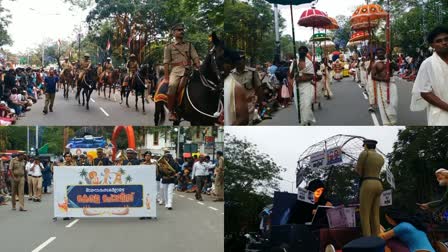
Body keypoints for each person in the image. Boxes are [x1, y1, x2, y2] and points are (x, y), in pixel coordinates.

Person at [411, 26, 448, 125]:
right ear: (433, 45)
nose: (444, 43)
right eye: (439, 41)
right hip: (441, 113)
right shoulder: (428, 63)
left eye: (446, 39)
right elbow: (425, 92)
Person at [163, 23, 201, 121]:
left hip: (189, 69)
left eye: (182, 30)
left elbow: (195, 56)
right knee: (172, 86)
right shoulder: (169, 47)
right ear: (173, 33)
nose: (181, 31)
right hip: (176, 71)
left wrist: (197, 64)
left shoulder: (189, 45)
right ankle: (171, 111)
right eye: (179, 30)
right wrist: (166, 77)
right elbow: (166, 63)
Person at [356, 139, 384, 237]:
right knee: (375, 214)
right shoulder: (381, 157)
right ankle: (378, 237)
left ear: (366, 146)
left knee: (364, 213)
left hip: (368, 183)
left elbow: (358, 170)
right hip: (378, 183)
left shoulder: (365, 153)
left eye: (364, 145)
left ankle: (367, 239)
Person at [231, 54, 264, 125]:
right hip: (234, 107)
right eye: (236, 60)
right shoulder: (230, 74)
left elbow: (259, 88)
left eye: (240, 60)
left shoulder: (252, 72)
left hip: (248, 105)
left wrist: (260, 103)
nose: (238, 62)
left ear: (244, 61)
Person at [371, 48, 398, 125]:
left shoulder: (389, 61)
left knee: (393, 103)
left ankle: (393, 120)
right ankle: (387, 123)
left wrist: (391, 60)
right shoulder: (376, 64)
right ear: (376, 55)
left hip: (392, 84)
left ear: (384, 53)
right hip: (382, 86)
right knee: (385, 104)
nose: (380, 54)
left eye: (381, 52)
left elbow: (397, 68)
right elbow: (373, 76)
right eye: (378, 53)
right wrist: (383, 79)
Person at [290, 46, 316, 125]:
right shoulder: (295, 62)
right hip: (297, 86)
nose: (301, 52)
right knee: (299, 106)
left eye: (303, 51)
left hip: (307, 86)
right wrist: (294, 66)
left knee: (307, 105)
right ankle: (303, 122)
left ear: (306, 53)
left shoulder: (309, 62)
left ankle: (307, 121)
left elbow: (311, 76)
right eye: (300, 51)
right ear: (298, 52)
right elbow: (291, 76)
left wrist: (301, 78)